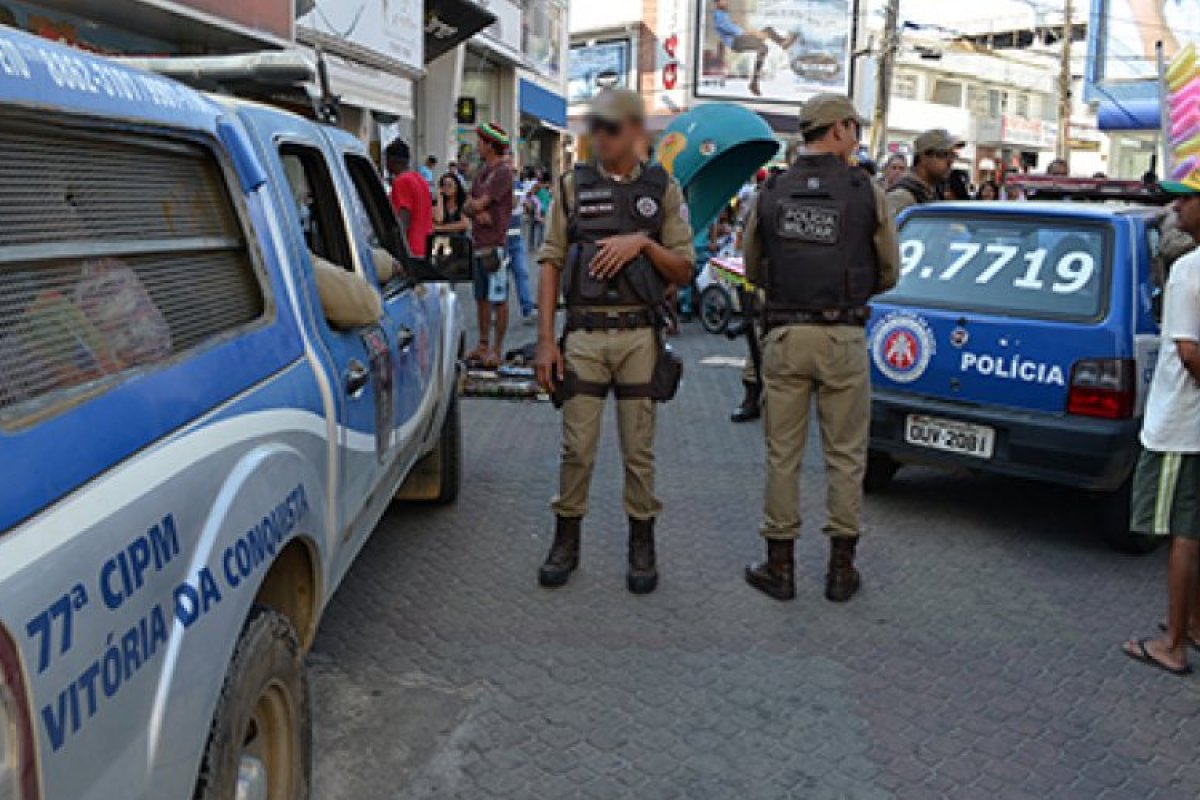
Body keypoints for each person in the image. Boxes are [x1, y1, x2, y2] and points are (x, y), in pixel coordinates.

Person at [533, 88, 694, 594]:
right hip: (583, 335)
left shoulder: (662, 189)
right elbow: (551, 262)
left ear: (635, 131)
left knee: (638, 452)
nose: (600, 138)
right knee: (576, 448)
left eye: (611, 128)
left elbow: (685, 268)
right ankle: (566, 539)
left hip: (638, 339)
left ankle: (641, 544)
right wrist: (544, 342)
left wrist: (642, 243)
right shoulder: (571, 186)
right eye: (595, 128)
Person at [741, 93, 900, 603]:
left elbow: (751, 267)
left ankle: (779, 568)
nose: (856, 135)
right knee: (846, 457)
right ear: (836, 129)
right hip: (844, 336)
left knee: (782, 455)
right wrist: (849, 296)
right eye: (852, 126)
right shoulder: (866, 190)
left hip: (786, 334)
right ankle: (839, 572)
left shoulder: (773, 190)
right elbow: (891, 270)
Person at [1120, 182, 1200, 675]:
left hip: (1181, 426)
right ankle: (1192, 625)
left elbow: (1189, 352)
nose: (1174, 207)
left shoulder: (1188, 271)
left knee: (1182, 534)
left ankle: (1172, 643)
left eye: (1185, 198)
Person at [463, 122, 515, 368]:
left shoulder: (502, 172)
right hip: (479, 242)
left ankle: (496, 348)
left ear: (490, 145)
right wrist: (475, 210)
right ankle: (483, 345)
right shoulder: (483, 171)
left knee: (498, 298)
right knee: (481, 298)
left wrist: (475, 208)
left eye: (481, 142)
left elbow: (479, 203)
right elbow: (467, 204)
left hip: (495, 244)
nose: (477, 146)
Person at [710, 0, 797, 97]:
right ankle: (754, 82)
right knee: (763, 48)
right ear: (717, 2)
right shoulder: (718, 15)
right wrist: (754, 33)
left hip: (740, 39)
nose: (727, 2)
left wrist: (755, 33)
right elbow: (732, 30)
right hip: (735, 42)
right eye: (723, 1)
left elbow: (735, 28)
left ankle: (782, 43)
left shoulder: (723, 14)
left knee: (768, 30)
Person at [885, 129, 963, 218]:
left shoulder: (931, 193)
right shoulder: (902, 197)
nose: (950, 161)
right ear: (923, 157)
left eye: (953, 155)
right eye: (944, 154)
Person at [385, 139, 434, 258]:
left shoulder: (401, 181)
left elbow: (403, 221)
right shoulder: (420, 179)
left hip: (410, 250)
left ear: (391, 160)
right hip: (425, 248)